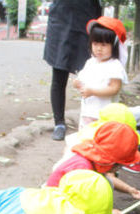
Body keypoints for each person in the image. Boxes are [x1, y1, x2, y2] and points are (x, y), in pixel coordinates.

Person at [47, 121, 140, 214]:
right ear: (110, 162)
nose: (118, 169)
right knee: (102, 186)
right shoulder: (82, 168)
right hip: (57, 204)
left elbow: (110, 179)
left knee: (106, 182)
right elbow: (80, 201)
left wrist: (129, 189)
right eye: (119, 166)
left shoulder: (93, 161)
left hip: (70, 198)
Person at [43, 0, 102, 141]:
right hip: (61, 19)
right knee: (58, 75)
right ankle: (59, 124)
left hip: (86, 17)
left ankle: (92, 121)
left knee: (91, 75)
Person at [73, 16, 128, 129]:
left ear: (114, 46)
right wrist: (77, 84)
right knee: (85, 141)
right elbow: (82, 80)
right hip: (87, 112)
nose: (99, 49)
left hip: (105, 116)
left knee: (101, 143)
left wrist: (93, 91)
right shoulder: (90, 62)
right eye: (95, 44)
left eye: (104, 45)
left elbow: (114, 88)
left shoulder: (114, 66)